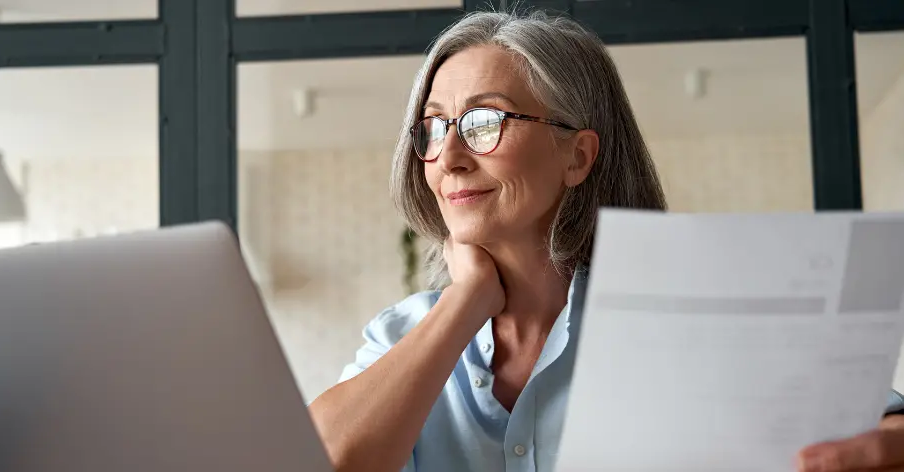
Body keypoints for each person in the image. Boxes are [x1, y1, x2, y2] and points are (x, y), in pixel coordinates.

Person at [308, 10, 904, 472]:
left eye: (485, 121)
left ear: (578, 154)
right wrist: (466, 301)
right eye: (433, 127)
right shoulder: (398, 336)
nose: (450, 158)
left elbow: (882, 429)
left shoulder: (685, 317)